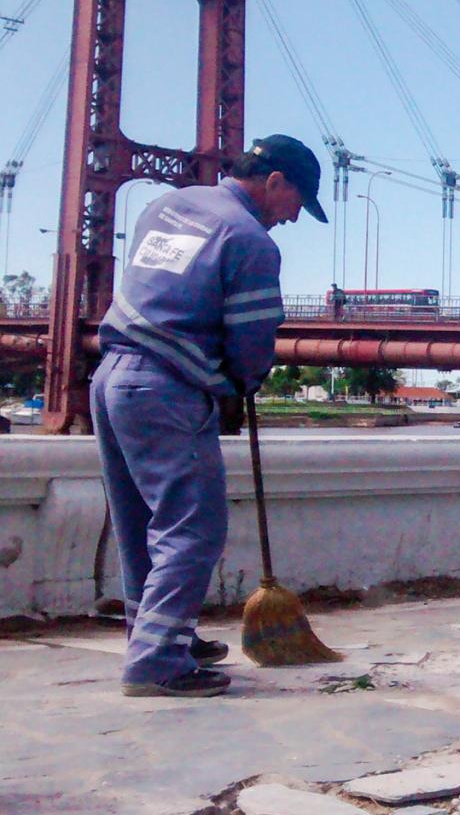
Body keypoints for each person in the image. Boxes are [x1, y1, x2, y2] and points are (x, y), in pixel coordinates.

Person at [91, 134, 327, 698]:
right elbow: (251, 343)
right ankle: (155, 662)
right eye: (297, 203)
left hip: (111, 378)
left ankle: (157, 636)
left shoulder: (164, 205)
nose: (292, 219)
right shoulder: (251, 241)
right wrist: (243, 380)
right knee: (192, 530)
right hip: (164, 388)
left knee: (140, 525)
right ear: (274, 182)